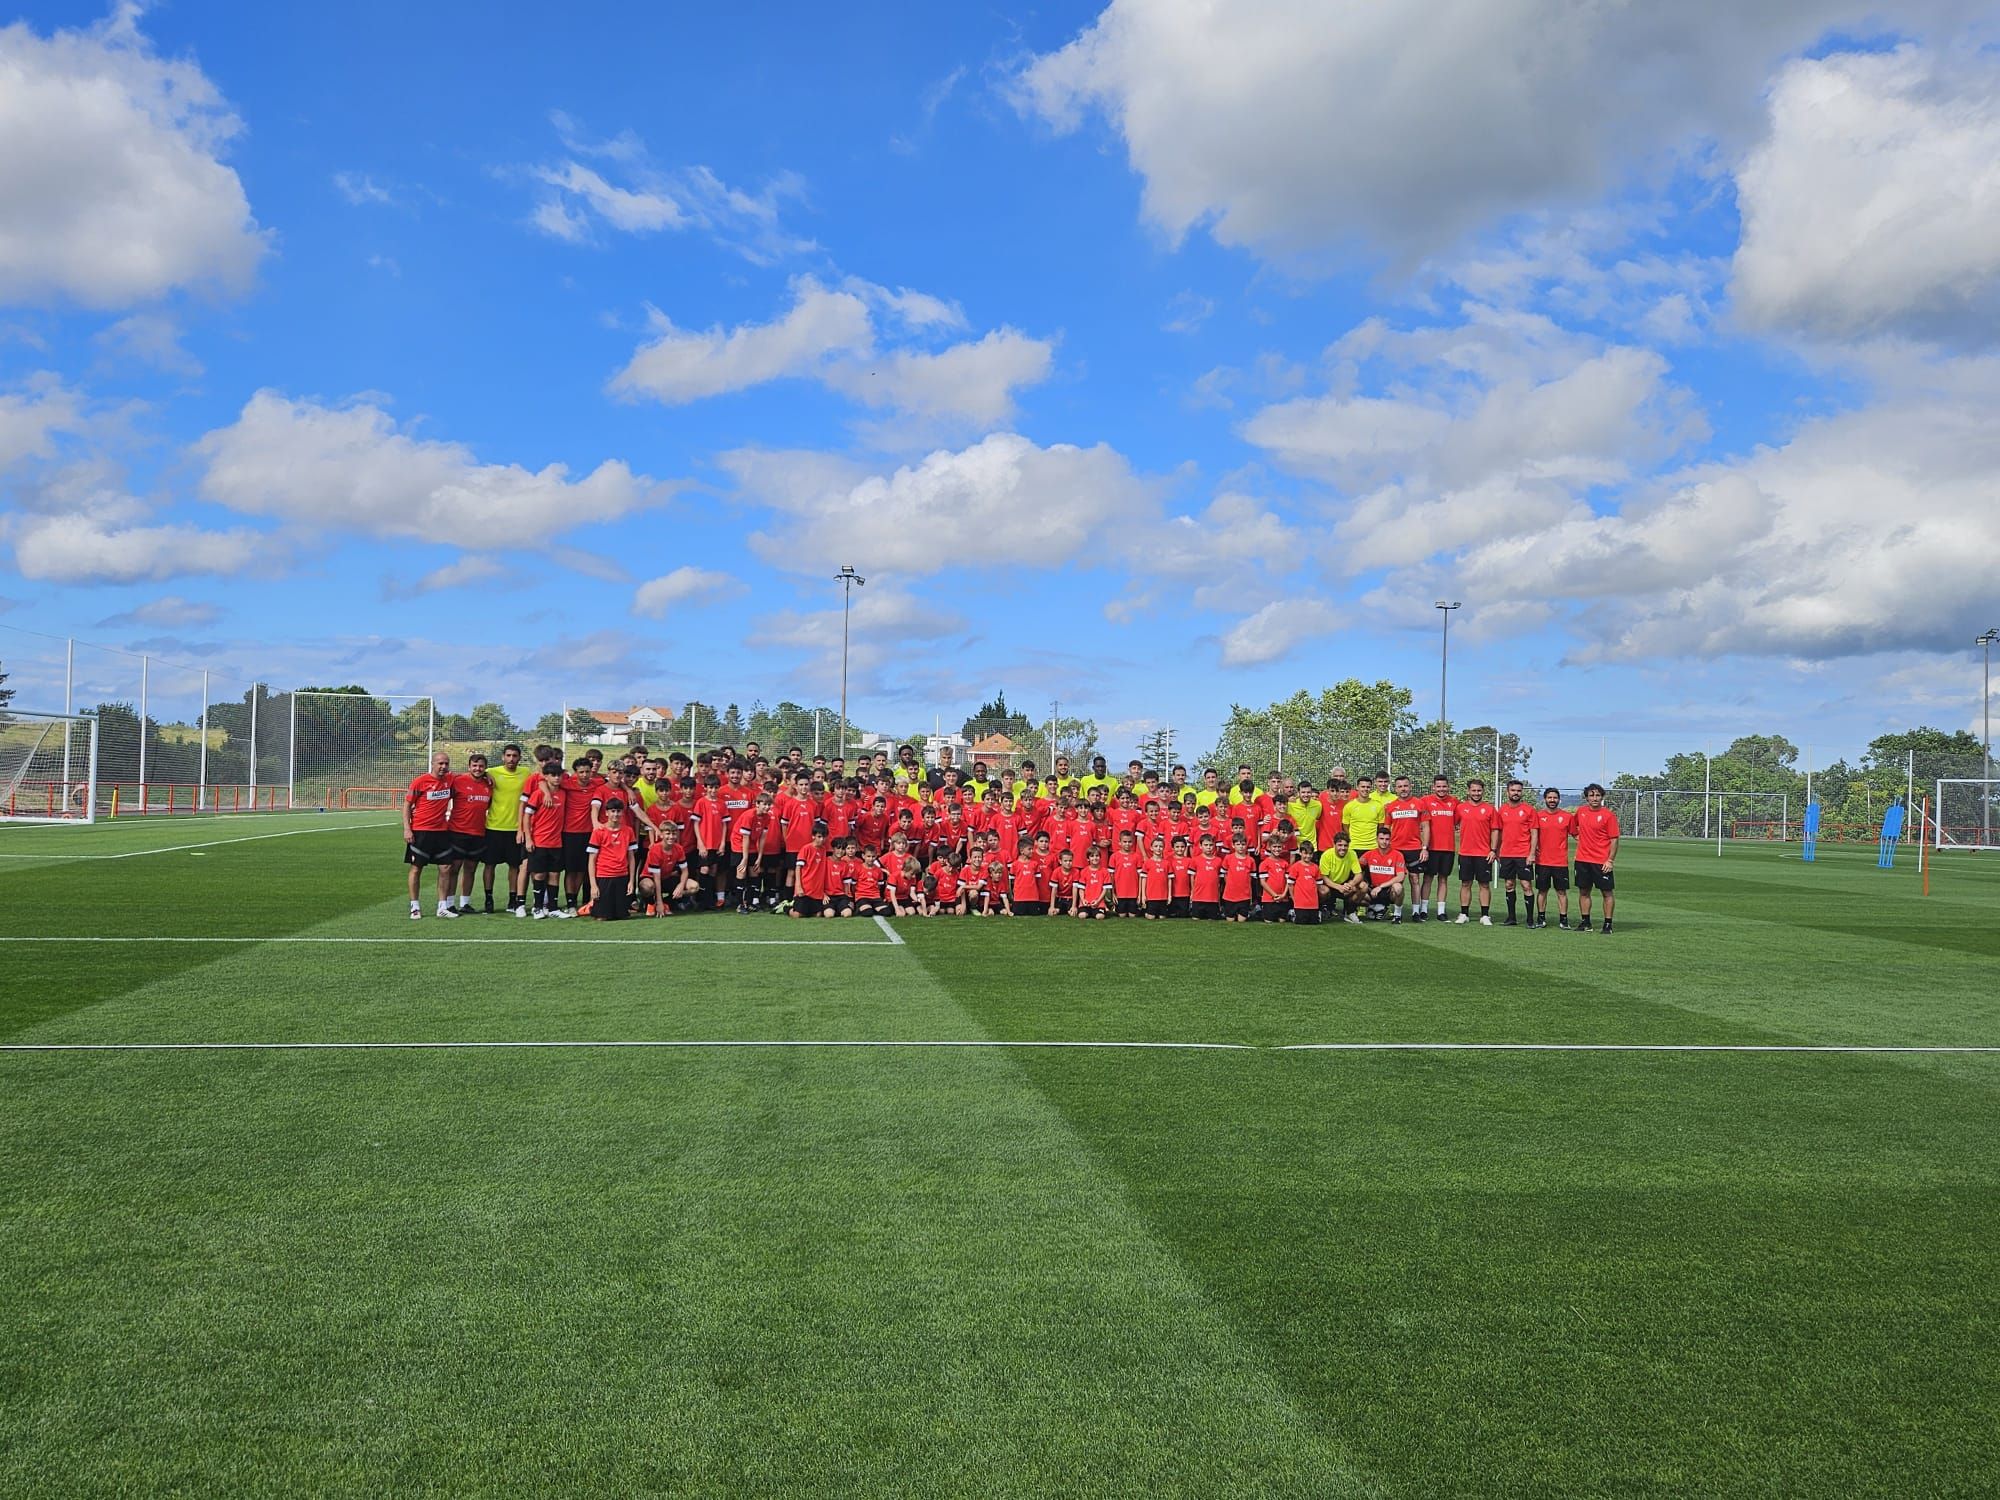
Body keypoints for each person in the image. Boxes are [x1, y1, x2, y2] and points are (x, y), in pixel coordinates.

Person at [403, 750, 457, 919]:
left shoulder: (450, 780)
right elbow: (407, 805)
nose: (443, 767)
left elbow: (471, 775)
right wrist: (407, 828)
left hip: (441, 831)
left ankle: (442, 907)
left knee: (446, 867)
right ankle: (415, 907)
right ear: (433, 764)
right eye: (440, 763)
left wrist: (487, 776)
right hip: (420, 831)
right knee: (416, 868)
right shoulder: (420, 782)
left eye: (446, 763)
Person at [482, 743, 532, 914]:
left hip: (516, 829)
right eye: (508, 755)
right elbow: (475, 773)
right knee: (489, 865)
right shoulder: (492, 772)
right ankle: (489, 899)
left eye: (515, 756)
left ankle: (513, 900)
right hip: (493, 827)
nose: (511, 759)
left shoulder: (526, 773)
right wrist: (486, 774)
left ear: (519, 758)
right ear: (503, 757)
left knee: (514, 866)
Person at [521, 758, 574, 919]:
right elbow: (526, 816)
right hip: (539, 841)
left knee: (555, 874)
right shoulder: (538, 795)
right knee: (539, 875)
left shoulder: (564, 793)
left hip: (556, 842)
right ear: (546, 777)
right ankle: (537, 907)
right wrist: (529, 839)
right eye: (553, 775)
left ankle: (552, 908)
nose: (557, 778)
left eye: (559, 775)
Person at [443, 752, 494, 915]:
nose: (478, 769)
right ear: (469, 767)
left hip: (478, 832)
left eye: (481, 766)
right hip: (457, 831)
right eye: (475, 766)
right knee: (454, 868)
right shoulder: (458, 781)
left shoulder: (489, 784)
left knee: (471, 868)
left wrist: (488, 775)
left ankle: (465, 903)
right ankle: (449, 903)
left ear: (485, 768)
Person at [1573, 783, 1621, 933]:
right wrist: (1578, 838)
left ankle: (1608, 924)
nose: (1594, 798)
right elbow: (1572, 827)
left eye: (1597, 795)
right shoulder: (1580, 812)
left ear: (1602, 797)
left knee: (1606, 893)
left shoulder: (1608, 815)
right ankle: (1585, 922)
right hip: (1582, 860)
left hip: (1601, 862)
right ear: (1586, 797)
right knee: (1584, 892)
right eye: (1591, 795)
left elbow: (1614, 839)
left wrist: (1610, 860)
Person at [1453, 778, 1498, 925]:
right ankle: (1464, 914)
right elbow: (1452, 824)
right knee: (1466, 883)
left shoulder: (1490, 809)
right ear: (1468, 791)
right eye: (1474, 790)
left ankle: (1485, 915)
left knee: (1484, 884)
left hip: (1484, 853)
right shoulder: (1460, 808)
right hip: (1465, 853)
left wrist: (1493, 850)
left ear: (1483, 791)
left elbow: (1495, 830)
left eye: (1479, 790)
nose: (1476, 793)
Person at [1531, 787, 1576, 929]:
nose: (1552, 800)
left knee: (1561, 892)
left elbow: (1577, 835)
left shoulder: (1567, 817)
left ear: (1559, 799)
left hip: (1560, 862)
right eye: (1549, 798)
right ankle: (1541, 918)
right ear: (1545, 799)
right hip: (1542, 860)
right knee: (1542, 891)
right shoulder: (1538, 816)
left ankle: (1563, 920)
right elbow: (1531, 836)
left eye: (1555, 798)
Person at [1416, 773, 1458, 923]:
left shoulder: (1454, 802)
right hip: (1431, 847)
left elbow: (1459, 821)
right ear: (1433, 787)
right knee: (1428, 878)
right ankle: (1423, 910)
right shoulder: (1425, 801)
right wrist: (1424, 846)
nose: (1441, 789)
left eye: (1444, 786)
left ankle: (1441, 911)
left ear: (1448, 787)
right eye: (1438, 786)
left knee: (1443, 879)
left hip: (1448, 848)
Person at [1494, 779, 1537, 926]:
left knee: (1526, 885)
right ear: (1507, 792)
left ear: (1522, 792)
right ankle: (1511, 917)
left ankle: (1530, 919)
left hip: (1523, 854)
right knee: (1509, 884)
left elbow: (1534, 833)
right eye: (1513, 790)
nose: (1516, 793)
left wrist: (1532, 853)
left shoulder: (1529, 810)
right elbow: (1498, 832)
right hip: (1506, 854)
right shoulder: (1502, 810)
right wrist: (1497, 851)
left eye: (1518, 790)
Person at [1382, 775, 1425, 920]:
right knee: (1397, 881)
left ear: (1410, 786)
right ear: (1395, 789)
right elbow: (1386, 828)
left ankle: (1416, 912)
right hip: (1396, 848)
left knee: (1415, 879)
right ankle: (1397, 912)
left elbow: (1425, 826)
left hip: (1414, 848)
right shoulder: (1390, 806)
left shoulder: (1419, 804)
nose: (1403, 789)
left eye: (1405, 786)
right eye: (1400, 786)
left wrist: (1424, 847)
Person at [586, 800, 637, 921]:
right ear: (607, 813)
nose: (616, 814)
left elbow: (631, 858)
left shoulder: (628, 831)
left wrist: (631, 881)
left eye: (618, 811)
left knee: (622, 916)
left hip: (622, 876)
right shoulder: (599, 831)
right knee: (602, 917)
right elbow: (591, 860)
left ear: (622, 813)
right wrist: (593, 885)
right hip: (604, 876)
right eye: (612, 811)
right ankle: (591, 905)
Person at [1361, 827, 1407, 922]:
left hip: (1388, 892)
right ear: (1376, 839)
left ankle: (1397, 915)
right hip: (1372, 891)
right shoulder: (1369, 854)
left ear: (1390, 840)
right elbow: (1356, 868)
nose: (1384, 842)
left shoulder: (1398, 855)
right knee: (1358, 888)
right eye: (1381, 839)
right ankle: (1375, 908)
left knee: (1398, 887)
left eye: (1387, 839)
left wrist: (1381, 886)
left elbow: (1400, 876)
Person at [1318, 833, 1366, 923]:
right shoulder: (1326, 855)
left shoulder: (1352, 854)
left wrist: (1350, 884)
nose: (1343, 848)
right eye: (1340, 845)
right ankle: (1319, 910)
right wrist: (1338, 887)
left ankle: (1350, 912)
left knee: (1364, 886)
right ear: (1334, 844)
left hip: (1344, 885)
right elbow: (1323, 877)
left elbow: (1359, 874)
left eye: (1345, 845)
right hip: (1330, 885)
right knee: (1323, 890)